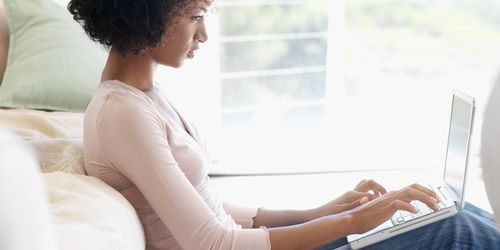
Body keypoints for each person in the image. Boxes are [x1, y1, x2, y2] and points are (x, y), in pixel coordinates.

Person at [68, 0, 500, 249]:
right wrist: (355, 222)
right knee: (456, 229)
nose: (203, 36)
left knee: (455, 212)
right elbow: (213, 243)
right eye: (194, 15)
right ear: (146, 12)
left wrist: (325, 211)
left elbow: (211, 206)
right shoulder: (123, 113)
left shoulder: (146, 97)